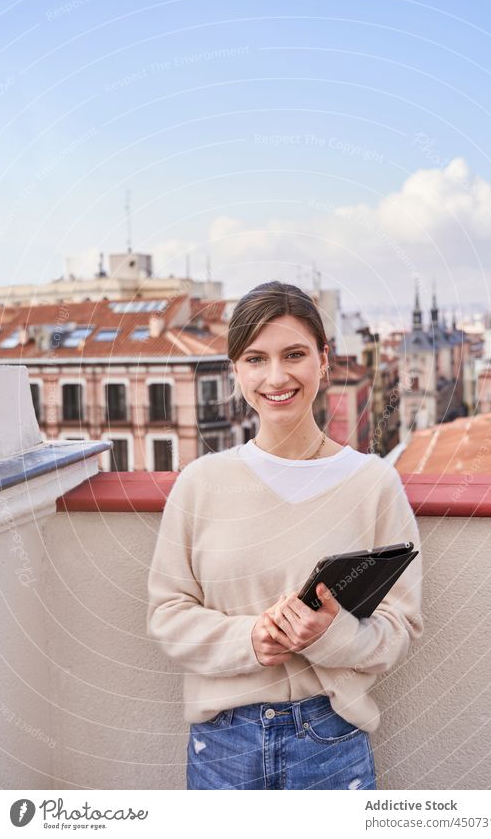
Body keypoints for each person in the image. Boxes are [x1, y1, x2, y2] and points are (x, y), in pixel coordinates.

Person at [147, 280, 423, 790]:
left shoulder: (374, 484)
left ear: (323, 360)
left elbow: (400, 629)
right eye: (255, 358)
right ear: (236, 369)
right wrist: (249, 639)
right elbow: (167, 617)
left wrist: (332, 636)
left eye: (293, 354)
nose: (275, 376)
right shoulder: (199, 485)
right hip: (222, 747)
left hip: (332, 744)